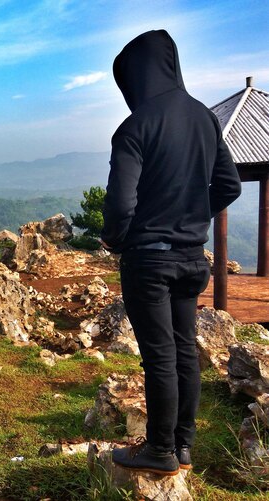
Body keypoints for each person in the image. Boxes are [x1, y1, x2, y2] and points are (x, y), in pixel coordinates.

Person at [100, 29, 241, 475]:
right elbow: (230, 185)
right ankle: (182, 446)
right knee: (184, 351)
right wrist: (193, 216)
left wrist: (118, 238)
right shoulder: (205, 118)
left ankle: (159, 451)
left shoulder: (135, 126)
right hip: (190, 257)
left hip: (149, 260)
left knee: (159, 355)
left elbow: (121, 205)